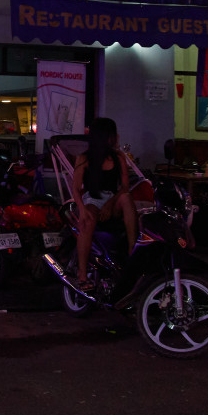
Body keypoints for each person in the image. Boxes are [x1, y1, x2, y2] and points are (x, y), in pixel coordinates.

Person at [72, 117, 138, 291]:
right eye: (112, 134)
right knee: (88, 220)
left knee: (127, 197)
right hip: (91, 198)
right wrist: (82, 210)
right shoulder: (84, 159)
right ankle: (82, 274)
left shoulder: (118, 157)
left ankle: (132, 249)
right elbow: (76, 189)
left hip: (112, 197)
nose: (116, 137)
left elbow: (124, 186)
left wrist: (110, 203)